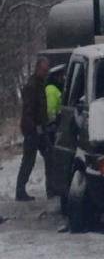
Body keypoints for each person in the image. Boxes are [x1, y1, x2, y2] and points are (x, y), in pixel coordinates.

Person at [16, 56, 53, 201]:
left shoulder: (39, 84)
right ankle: (20, 191)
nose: (46, 72)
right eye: (44, 70)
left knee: (50, 157)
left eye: (47, 70)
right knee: (28, 161)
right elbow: (28, 111)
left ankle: (51, 189)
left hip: (39, 129)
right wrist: (34, 128)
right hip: (32, 130)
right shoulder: (32, 86)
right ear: (38, 68)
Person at [45, 64, 65, 144]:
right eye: (61, 76)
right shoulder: (51, 89)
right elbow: (50, 108)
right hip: (53, 125)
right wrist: (53, 123)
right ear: (55, 77)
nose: (63, 79)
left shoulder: (56, 88)